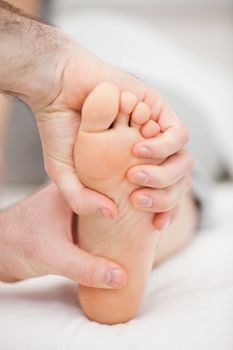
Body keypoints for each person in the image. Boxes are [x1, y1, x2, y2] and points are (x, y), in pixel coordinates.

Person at [0, 2, 192, 291]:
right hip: (35, 78)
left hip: (35, 92)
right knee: (159, 161)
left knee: (160, 150)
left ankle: (125, 218)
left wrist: (55, 71)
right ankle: (138, 225)